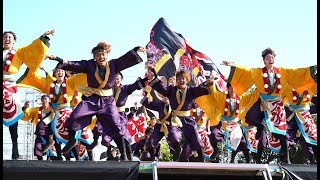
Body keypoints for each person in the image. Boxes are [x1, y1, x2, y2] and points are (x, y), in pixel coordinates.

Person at [47, 42, 146, 161]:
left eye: (103, 54)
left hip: (108, 102)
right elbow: (75, 65)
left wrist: (135, 50)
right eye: (98, 55)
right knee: (75, 116)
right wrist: (58, 59)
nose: (101, 57)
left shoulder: (114, 64)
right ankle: (72, 140)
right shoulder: (89, 65)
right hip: (92, 100)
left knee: (116, 126)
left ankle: (124, 155)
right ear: (94, 57)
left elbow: (125, 59)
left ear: (107, 55)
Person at [222, 48, 317, 163]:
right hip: (263, 102)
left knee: (281, 132)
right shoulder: (258, 72)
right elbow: (246, 71)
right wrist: (233, 65)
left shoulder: (282, 71)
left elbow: (296, 72)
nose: (270, 59)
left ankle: (286, 158)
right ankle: (260, 126)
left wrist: (313, 68)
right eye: (267, 58)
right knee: (250, 117)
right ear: (264, 61)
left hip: (277, 104)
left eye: (272, 57)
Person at [17, 63, 89, 160]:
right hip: (54, 113)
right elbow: (42, 79)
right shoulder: (50, 84)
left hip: (66, 112)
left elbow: (79, 78)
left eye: (62, 71)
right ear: (55, 73)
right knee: (52, 133)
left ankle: (79, 157)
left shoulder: (69, 82)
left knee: (71, 136)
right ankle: (58, 156)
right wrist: (34, 65)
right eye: (58, 71)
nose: (60, 72)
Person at [3, 29, 55, 160]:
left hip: (9, 87)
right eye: (4, 37)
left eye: (9, 37)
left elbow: (33, 49)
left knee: (13, 116)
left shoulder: (19, 52)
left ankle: (15, 148)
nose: (7, 39)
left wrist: (43, 37)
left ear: (14, 41)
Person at [146, 68, 214, 162]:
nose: (181, 80)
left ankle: (201, 160)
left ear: (187, 80)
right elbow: (162, 88)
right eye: (179, 78)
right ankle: (177, 149)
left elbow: (199, 89)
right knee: (173, 135)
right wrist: (154, 77)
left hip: (187, 118)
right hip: (175, 118)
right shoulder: (171, 90)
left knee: (195, 137)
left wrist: (206, 83)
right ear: (176, 80)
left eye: (183, 78)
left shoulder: (191, 90)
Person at [86, 72, 148, 161]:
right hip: (107, 114)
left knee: (121, 135)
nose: (116, 80)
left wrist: (144, 80)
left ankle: (126, 156)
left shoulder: (125, 89)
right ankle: (95, 141)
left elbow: (134, 85)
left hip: (120, 116)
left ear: (121, 79)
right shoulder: (107, 89)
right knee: (98, 125)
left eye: (118, 78)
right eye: (114, 78)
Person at [140, 86, 183, 161]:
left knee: (174, 138)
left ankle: (177, 154)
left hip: (170, 125)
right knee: (151, 142)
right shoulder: (159, 104)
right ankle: (152, 158)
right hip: (160, 124)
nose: (166, 98)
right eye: (164, 97)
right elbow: (148, 104)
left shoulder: (175, 104)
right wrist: (145, 94)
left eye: (167, 97)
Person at [283, 84, 317, 164]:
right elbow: (279, 100)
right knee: (288, 137)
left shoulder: (309, 87)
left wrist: (309, 109)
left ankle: (312, 159)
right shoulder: (288, 87)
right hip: (292, 116)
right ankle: (287, 156)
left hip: (303, 115)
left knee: (310, 137)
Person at [21, 95, 55, 160]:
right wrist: (25, 107)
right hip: (39, 132)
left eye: (45, 99)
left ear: (49, 100)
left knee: (50, 149)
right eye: (43, 99)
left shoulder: (53, 110)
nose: (44, 101)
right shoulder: (37, 109)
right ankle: (40, 163)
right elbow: (28, 112)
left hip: (49, 133)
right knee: (37, 148)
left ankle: (50, 160)